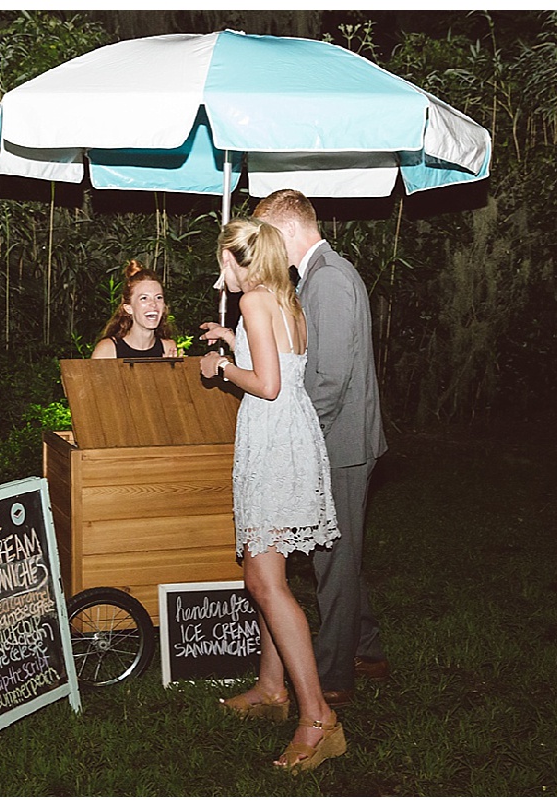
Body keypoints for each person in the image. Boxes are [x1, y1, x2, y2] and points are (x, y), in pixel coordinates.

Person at [199, 218, 346, 773]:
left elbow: (267, 384)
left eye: (224, 263)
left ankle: (318, 717)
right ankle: (270, 688)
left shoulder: (254, 302)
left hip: (273, 444)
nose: (221, 277)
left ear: (243, 261)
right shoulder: (285, 301)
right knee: (266, 575)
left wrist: (222, 367)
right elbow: (282, 361)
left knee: (266, 580)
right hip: (291, 439)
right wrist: (236, 341)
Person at [252, 189, 389, 709]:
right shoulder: (321, 274)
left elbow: (330, 379)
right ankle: (368, 650)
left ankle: (334, 679)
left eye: (266, 235)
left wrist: (298, 442)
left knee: (331, 561)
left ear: (286, 231)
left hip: (340, 442)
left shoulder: (329, 279)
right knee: (340, 554)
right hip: (338, 438)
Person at [90, 260, 179, 359]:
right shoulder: (107, 350)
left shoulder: (168, 348)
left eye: (158, 297)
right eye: (144, 298)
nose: (153, 304)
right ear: (128, 308)